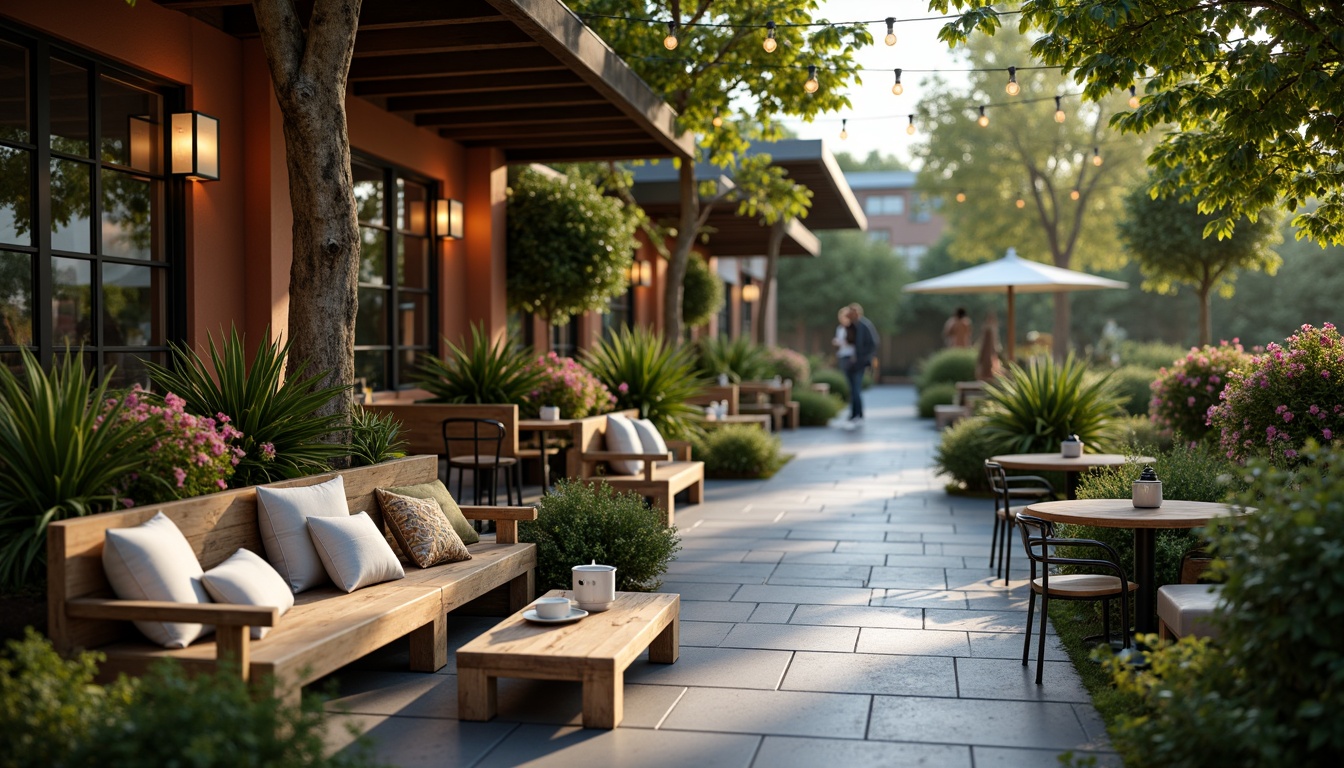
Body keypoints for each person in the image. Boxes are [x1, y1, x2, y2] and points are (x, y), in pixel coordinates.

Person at [845, 303, 879, 424]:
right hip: (852, 361)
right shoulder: (852, 326)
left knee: (856, 388)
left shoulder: (865, 325)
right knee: (853, 388)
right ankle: (855, 413)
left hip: (860, 362)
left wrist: (864, 356)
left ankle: (858, 414)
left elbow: (874, 343)